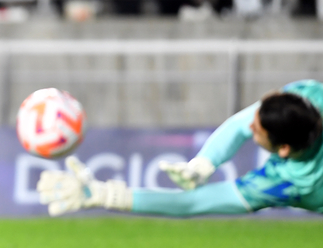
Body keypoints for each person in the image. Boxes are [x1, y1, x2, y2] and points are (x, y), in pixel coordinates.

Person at [38, 79, 323, 217]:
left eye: (257, 130)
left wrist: (105, 195)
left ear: (283, 149)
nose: (250, 126)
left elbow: (190, 203)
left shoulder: (291, 184)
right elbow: (238, 125)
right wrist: (205, 162)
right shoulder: (308, 94)